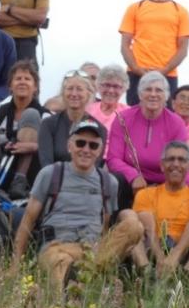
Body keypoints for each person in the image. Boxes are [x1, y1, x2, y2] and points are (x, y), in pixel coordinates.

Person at [11, 118, 147, 292]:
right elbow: (28, 220)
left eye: (93, 145)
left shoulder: (109, 182)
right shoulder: (51, 173)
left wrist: (101, 252)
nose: (86, 150)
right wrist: (15, 264)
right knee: (63, 265)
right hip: (57, 248)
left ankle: (89, 276)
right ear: (70, 146)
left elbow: (104, 226)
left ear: (99, 151)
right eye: (80, 143)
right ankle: (74, 292)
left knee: (134, 226)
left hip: (92, 250)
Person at [135, 141, 189, 278]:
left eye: (182, 160)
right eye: (170, 159)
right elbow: (149, 230)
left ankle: (187, 276)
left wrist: (174, 257)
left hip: (185, 252)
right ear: (161, 165)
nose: (176, 164)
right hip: (152, 250)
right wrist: (160, 257)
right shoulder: (145, 194)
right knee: (130, 222)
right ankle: (146, 275)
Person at [105, 71, 189, 208]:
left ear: (166, 96)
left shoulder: (176, 123)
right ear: (140, 94)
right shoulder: (123, 118)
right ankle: (111, 225)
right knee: (112, 180)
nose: (153, 94)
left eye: (158, 90)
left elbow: (181, 160)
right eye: (148, 89)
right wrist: (134, 176)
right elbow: (113, 159)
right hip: (129, 179)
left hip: (164, 181)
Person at [119, 0, 189, 104]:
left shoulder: (180, 11)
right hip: (136, 74)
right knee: (134, 117)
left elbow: (183, 49)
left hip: (168, 74)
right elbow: (124, 45)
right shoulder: (134, 8)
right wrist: (137, 69)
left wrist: (163, 70)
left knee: (166, 119)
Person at [0, 60, 45, 192]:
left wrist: (33, 146)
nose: (22, 82)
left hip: (30, 168)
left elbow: (53, 146)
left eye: (27, 79)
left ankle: (19, 181)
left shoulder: (45, 115)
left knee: (31, 114)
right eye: (18, 79)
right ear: (10, 86)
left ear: (35, 87)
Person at [38, 69, 98, 178]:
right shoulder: (48, 124)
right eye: (70, 89)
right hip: (54, 182)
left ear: (89, 94)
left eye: (79, 89)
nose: (74, 94)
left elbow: (95, 166)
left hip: (85, 184)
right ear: (63, 93)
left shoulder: (98, 129)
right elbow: (46, 164)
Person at [87, 64, 129, 139]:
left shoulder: (130, 113)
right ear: (98, 86)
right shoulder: (87, 111)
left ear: (124, 89)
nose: (110, 90)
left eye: (116, 86)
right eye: (106, 85)